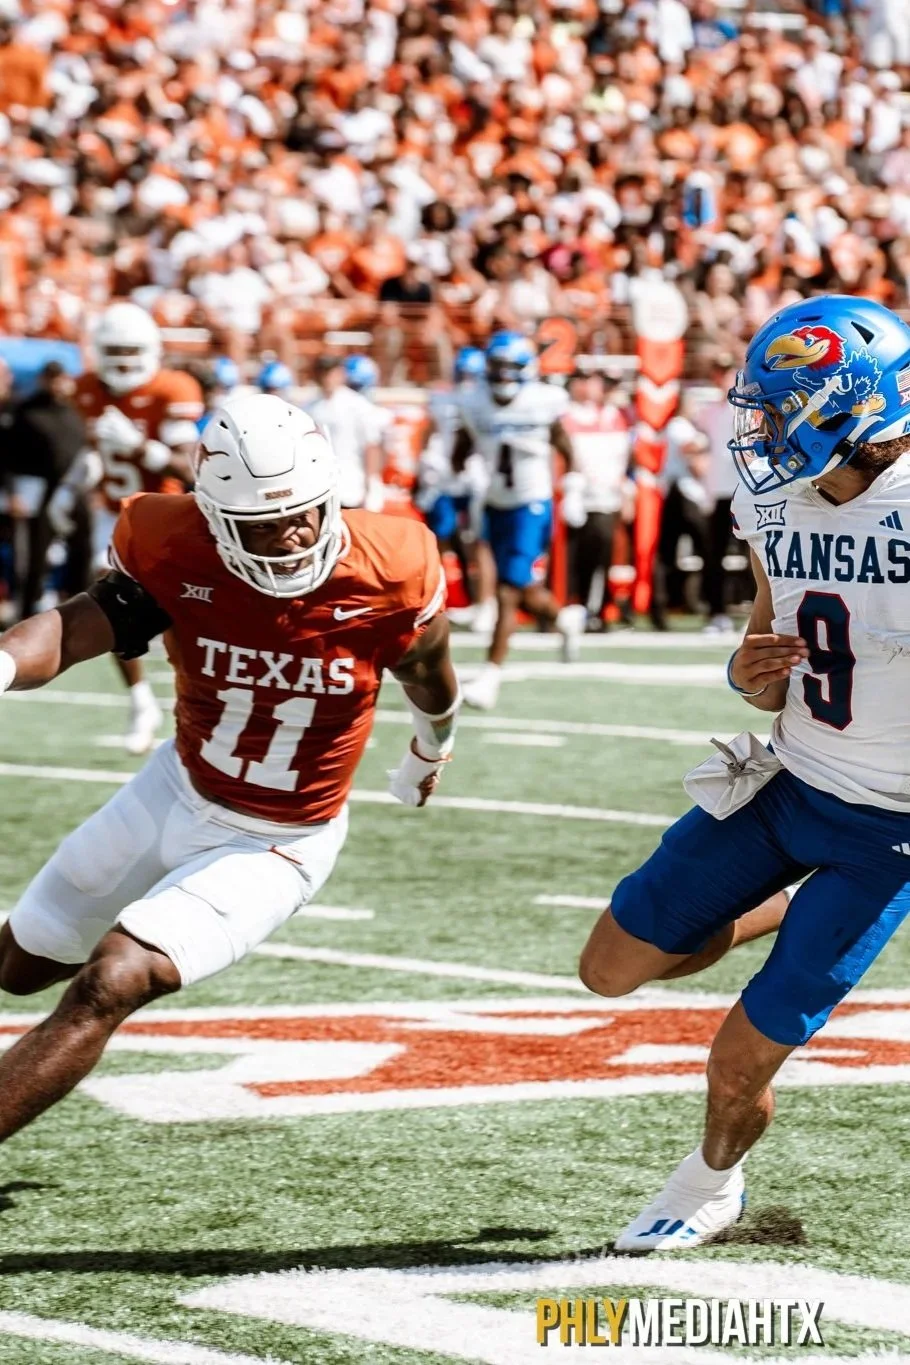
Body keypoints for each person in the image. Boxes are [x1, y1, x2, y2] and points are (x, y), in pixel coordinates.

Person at [0, 393, 458, 1150]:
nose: (290, 535)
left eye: (304, 512)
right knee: (17, 964)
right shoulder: (174, 545)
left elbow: (429, 670)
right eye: (261, 523)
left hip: (279, 841)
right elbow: (77, 627)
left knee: (114, 976)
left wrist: (430, 746)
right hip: (176, 787)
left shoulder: (390, 568)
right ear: (214, 517)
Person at [580, 295, 910, 1251]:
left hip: (888, 833)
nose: (761, 429)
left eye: (779, 407)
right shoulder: (773, 500)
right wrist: (745, 669)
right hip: (788, 783)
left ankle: (710, 1183)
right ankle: (780, 899)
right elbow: (763, 648)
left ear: (850, 406)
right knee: (609, 967)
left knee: (737, 1060)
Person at [47, 303, 203, 755]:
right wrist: (69, 487)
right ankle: (140, 701)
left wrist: (141, 447)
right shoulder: (85, 390)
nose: (123, 360)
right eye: (113, 350)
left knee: (187, 616)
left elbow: (192, 469)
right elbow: (89, 454)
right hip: (111, 513)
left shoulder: (171, 388)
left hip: (169, 513)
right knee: (108, 598)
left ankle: (188, 704)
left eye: (131, 350)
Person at [453, 331, 585, 711]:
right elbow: (462, 448)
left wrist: (573, 485)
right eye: (498, 367)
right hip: (496, 502)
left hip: (532, 503)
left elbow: (565, 446)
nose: (504, 376)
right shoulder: (474, 402)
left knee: (507, 590)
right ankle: (562, 620)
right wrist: (460, 475)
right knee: (524, 588)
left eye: (512, 368)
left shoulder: (543, 401)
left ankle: (491, 674)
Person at [4, 362, 87, 620]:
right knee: (32, 556)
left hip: (74, 489)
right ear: (43, 380)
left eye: (60, 378)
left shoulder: (74, 410)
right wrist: (11, 491)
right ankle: (25, 614)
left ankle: (81, 613)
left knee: (81, 550)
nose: (57, 384)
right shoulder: (25, 411)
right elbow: (5, 455)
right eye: (51, 379)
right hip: (36, 490)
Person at [562, 370, 634, 632]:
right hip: (578, 496)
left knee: (603, 554)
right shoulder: (568, 415)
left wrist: (626, 491)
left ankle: (598, 610)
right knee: (576, 557)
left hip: (606, 497)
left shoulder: (614, 416)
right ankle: (575, 607)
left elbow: (623, 460)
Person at [306, 355, 387, 512]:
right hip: (320, 486)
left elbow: (371, 446)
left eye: (330, 372)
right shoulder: (310, 407)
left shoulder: (357, 405)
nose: (326, 378)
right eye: (322, 372)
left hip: (351, 484)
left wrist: (372, 483)